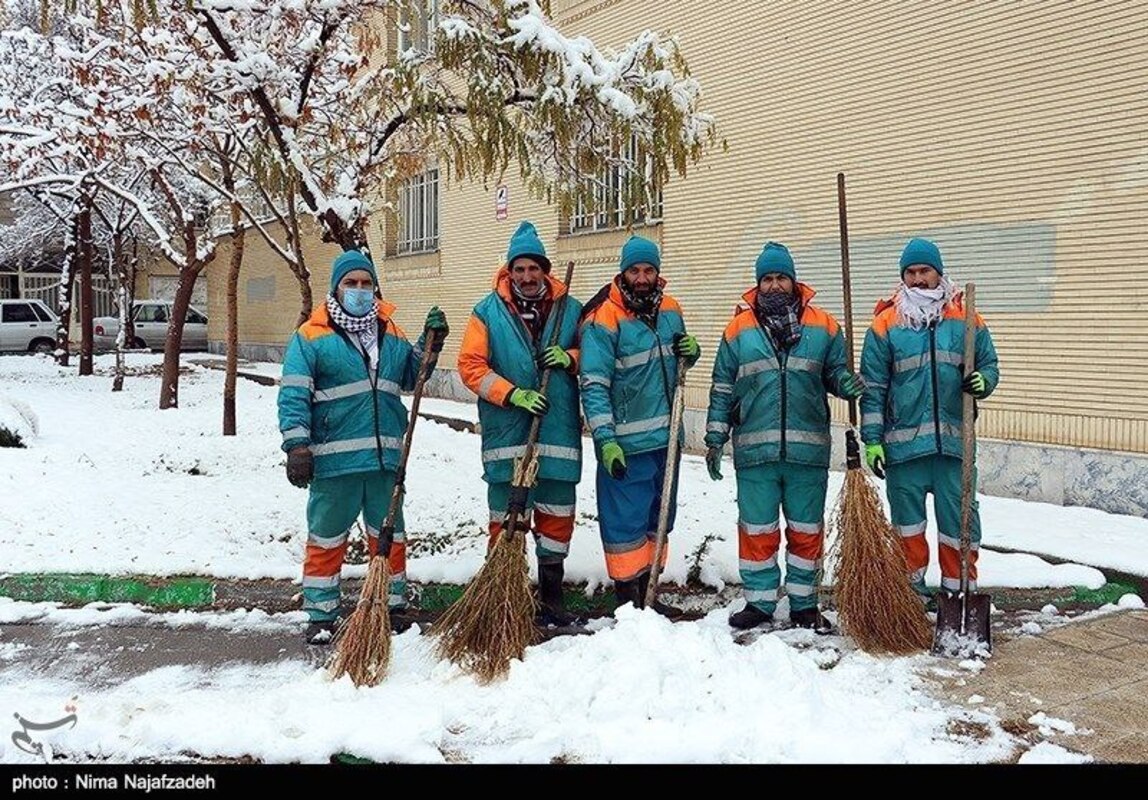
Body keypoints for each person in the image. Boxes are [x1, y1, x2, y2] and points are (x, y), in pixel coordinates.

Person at [278, 249, 449, 644]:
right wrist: (296, 445)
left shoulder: (389, 332)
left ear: (375, 287)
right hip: (335, 462)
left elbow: (412, 374)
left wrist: (430, 343)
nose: (359, 290)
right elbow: (293, 395)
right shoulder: (311, 337)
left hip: (385, 459)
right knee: (326, 538)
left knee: (389, 537)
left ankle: (390, 607)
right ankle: (321, 614)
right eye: (350, 283)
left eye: (365, 283)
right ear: (336, 288)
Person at [705, 242, 864, 631]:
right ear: (758, 284)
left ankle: (804, 603)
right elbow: (722, 386)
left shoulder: (824, 326)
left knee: (805, 531)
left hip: (807, 450)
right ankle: (759, 603)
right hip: (754, 449)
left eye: (781, 277)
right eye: (767, 279)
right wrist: (714, 436)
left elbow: (834, 373)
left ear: (794, 281)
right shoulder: (738, 329)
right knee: (757, 531)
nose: (774, 285)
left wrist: (845, 383)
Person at [860, 237, 999, 609]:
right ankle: (910, 596)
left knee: (960, 526)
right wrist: (871, 440)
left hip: (954, 447)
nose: (918, 279)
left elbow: (989, 364)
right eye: (911, 272)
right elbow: (872, 389)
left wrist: (983, 382)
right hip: (903, 449)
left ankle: (958, 594)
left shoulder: (966, 319)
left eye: (925, 271)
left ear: (939, 272)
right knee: (908, 529)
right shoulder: (885, 324)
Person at [457, 221, 584, 627]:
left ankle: (551, 595)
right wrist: (512, 394)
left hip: (558, 433)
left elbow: (596, 353)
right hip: (508, 436)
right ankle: (505, 597)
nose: (527, 277)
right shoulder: (486, 313)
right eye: (519, 269)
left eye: (534, 269)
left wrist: (571, 359)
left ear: (545, 270)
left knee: (557, 517)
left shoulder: (571, 309)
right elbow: (471, 367)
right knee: (506, 522)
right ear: (508, 271)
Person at [579, 235, 700, 616]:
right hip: (626, 445)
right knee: (625, 526)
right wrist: (605, 438)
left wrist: (689, 355)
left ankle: (650, 594)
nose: (642, 277)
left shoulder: (671, 310)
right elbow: (594, 385)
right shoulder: (604, 321)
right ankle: (627, 602)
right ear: (623, 272)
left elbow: (671, 368)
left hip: (666, 440)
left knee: (658, 520)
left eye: (649, 270)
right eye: (635, 270)